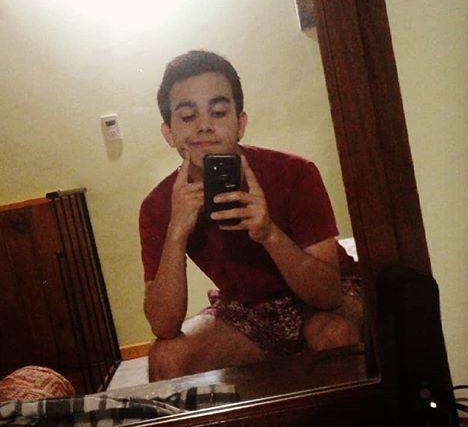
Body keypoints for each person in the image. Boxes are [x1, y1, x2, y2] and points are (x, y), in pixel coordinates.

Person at [139, 50, 363, 382]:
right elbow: (163, 325)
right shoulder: (159, 204)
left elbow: (327, 293)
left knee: (333, 335)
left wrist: (269, 233)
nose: (204, 126)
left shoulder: (294, 172)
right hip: (247, 310)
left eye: (218, 112)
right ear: (169, 133)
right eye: (187, 117)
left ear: (240, 123)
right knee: (166, 356)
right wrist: (176, 232)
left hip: (328, 299)